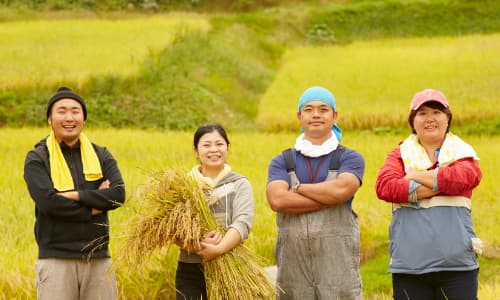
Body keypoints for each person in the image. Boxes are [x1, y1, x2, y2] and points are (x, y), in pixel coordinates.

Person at [375, 89, 483, 300]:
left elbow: (467, 177)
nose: (430, 119)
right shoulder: (399, 155)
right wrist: (441, 183)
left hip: (457, 267)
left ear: (447, 118)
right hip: (409, 267)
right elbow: (385, 186)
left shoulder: (463, 153)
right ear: (413, 121)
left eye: (436, 111)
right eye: (422, 113)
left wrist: (414, 175)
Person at [23, 87, 126, 300]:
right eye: (61, 111)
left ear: (84, 119)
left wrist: (74, 195)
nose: (69, 117)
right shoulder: (38, 158)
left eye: (75, 111)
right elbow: (49, 204)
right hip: (56, 259)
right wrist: (95, 207)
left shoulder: (100, 154)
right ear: (50, 119)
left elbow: (117, 194)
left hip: (98, 259)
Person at [266, 86, 365, 299]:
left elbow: (342, 190)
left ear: (334, 116)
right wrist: (329, 197)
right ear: (299, 116)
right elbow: (277, 199)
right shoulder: (282, 160)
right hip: (293, 269)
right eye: (309, 109)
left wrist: (300, 188)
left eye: (323, 109)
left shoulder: (350, 158)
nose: (316, 114)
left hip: (338, 269)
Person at [175, 123, 255, 300]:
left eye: (219, 144)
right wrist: (197, 246)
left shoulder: (239, 183)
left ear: (227, 148)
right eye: (206, 145)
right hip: (190, 270)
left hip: (232, 264)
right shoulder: (183, 186)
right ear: (196, 151)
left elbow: (243, 223)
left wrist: (218, 249)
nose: (214, 149)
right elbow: (173, 229)